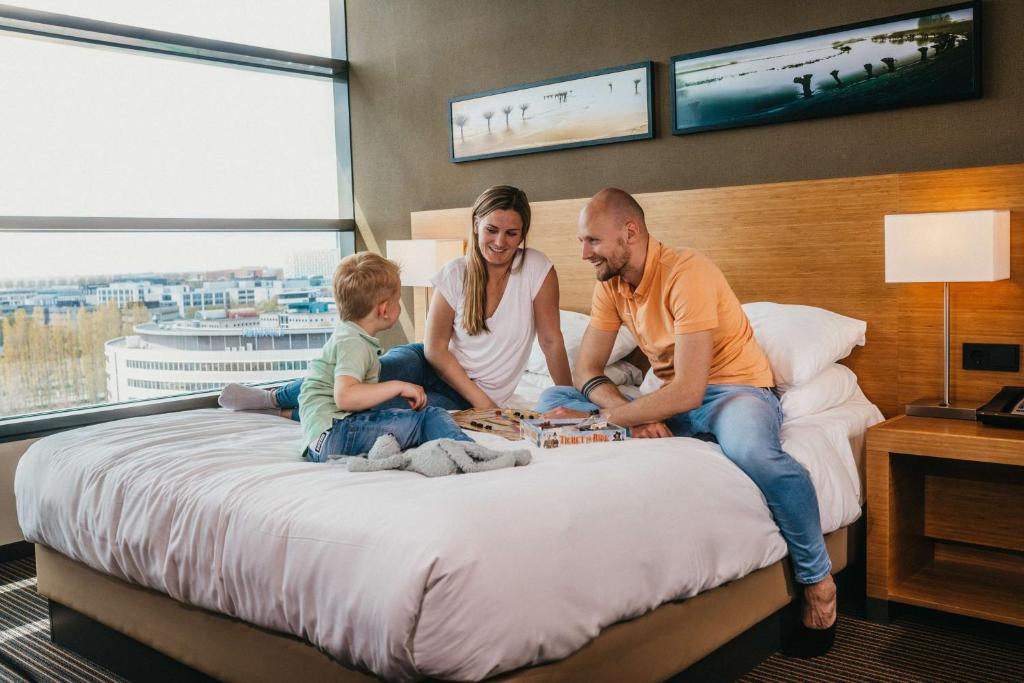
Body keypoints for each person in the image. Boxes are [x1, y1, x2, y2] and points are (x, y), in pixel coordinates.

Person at [536, 188, 838, 656]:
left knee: (755, 453)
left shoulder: (686, 272)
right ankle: (630, 421)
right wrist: (632, 417)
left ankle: (818, 581)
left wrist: (613, 416)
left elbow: (692, 391)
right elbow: (588, 370)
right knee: (553, 396)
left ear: (629, 232)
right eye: (581, 241)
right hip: (667, 399)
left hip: (733, 391)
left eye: (592, 241)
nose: (583, 254)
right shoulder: (611, 284)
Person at [219, 185, 571, 416]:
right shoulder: (455, 273)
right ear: (476, 224)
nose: (500, 242)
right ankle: (274, 397)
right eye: (491, 229)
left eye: (512, 233)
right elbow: (434, 349)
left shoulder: (536, 269)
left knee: (385, 406)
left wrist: (571, 397)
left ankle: (289, 413)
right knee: (370, 372)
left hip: (459, 397)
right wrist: (485, 404)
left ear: (523, 234)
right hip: (427, 363)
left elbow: (552, 340)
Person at [297, 251, 474, 462]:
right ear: (385, 310)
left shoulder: (348, 334)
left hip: (322, 442)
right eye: (398, 300)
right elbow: (345, 396)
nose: (399, 305)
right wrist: (399, 386)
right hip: (337, 433)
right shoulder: (354, 344)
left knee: (399, 422)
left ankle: (391, 452)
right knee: (429, 417)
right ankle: (473, 454)